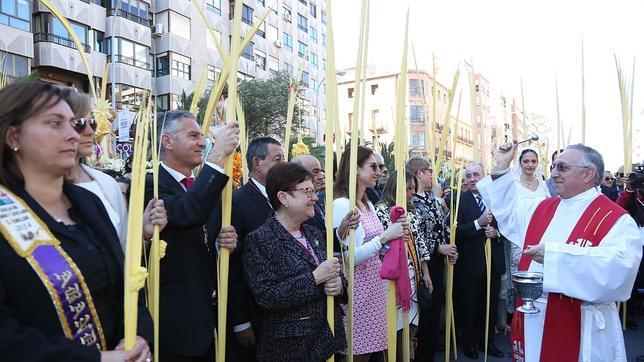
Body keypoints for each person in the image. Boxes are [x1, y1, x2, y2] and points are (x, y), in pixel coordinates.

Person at [0, 81, 152, 361]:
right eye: (55, 123)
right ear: (13, 137)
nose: (73, 134)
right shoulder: (4, 216)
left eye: (75, 123)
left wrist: (140, 336)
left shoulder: (89, 204)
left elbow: (125, 286)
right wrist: (97, 360)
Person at [478, 142, 642, 362]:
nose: (553, 173)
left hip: (583, 327)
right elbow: (508, 207)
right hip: (535, 321)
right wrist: (501, 165)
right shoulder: (542, 207)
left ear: (588, 174)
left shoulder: (615, 219)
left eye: (562, 167)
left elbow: (620, 271)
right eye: (554, 167)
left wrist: (554, 256)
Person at [146, 110, 239, 361]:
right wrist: (217, 155)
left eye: (203, 136)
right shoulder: (150, 184)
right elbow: (187, 213)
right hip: (176, 328)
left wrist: (222, 244)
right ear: (167, 142)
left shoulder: (200, 188)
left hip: (209, 321)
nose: (202, 142)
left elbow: (203, 236)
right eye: (193, 135)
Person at [242, 162, 347, 361]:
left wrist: (339, 285)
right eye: (307, 191)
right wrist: (314, 278)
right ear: (283, 197)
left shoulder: (314, 233)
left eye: (314, 191)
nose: (315, 197)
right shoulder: (261, 240)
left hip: (327, 341)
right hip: (292, 348)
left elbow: (334, 275)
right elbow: (267, 296)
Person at [332, 145, 408, 361]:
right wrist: (384, 238)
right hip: (357, 292)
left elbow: (376, 247)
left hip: (373, 288)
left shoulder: (367, 204)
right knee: (357, 355)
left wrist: (393, 238)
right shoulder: (342, 205)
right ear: (355, 168)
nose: (379, 171)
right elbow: (349, 258)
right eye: (373, 166)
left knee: (368, 354)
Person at [64, 91, 165, 250]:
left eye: (93, 123)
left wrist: (144, 235)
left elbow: (122, 251)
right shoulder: (39, 190)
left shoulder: (107, 184)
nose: (90, 131)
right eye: (80, 123)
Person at [220, 137, 284, 362]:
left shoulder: (283, 198)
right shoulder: (236, 201)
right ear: (257, 163)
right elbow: (233, 265)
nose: (283, 165)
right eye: (278, 159)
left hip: (282, 310)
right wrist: (241, 321)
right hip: (253, 309)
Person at [375, 170, 431, 360]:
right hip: (391, 278)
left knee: (412, 322)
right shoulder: (380, 211)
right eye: (408, 188)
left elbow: (420, 243)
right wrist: (394, 239)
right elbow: (377, 243)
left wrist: (426, 273)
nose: (412, 192)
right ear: (395, 188)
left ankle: (407, 354)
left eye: (414, 188)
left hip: (413, 275)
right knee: (393, 325)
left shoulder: (412, 212)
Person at [406, 156, 457, 362]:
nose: (432, 175)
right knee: (424, 312)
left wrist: (450, 249)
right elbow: (416, 236)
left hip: (438, 262)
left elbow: (441, 228)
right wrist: (438, 248)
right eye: (429, 171)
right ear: (419, 173)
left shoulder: (432, 199)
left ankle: (429, 353)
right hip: (422, 264)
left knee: (435, 309)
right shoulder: (411, 202)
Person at [453, 162, 505, 359]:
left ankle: (488, 342)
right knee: (470, 306)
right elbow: (454, 232)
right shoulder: (459, 200)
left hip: (493, 263)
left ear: (484, 177)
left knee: (489, 306)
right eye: (469, 175)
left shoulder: (496, 200)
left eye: (476, 174)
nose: (472, 178)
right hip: (470, 264)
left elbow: (508, 227)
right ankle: (470, 344)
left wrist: (497, 233)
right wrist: (478, 223)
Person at [500, 148, 550, 331]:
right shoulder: (513, 184)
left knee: (537, 273)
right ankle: (515, 319)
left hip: (539, 236)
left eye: (533, 161)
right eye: (526, 161)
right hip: (517, 237)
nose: (530, 165)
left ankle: (536, 315)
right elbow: (503, 208)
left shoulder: (543, 185)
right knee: (517, 275)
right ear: (520, 163)